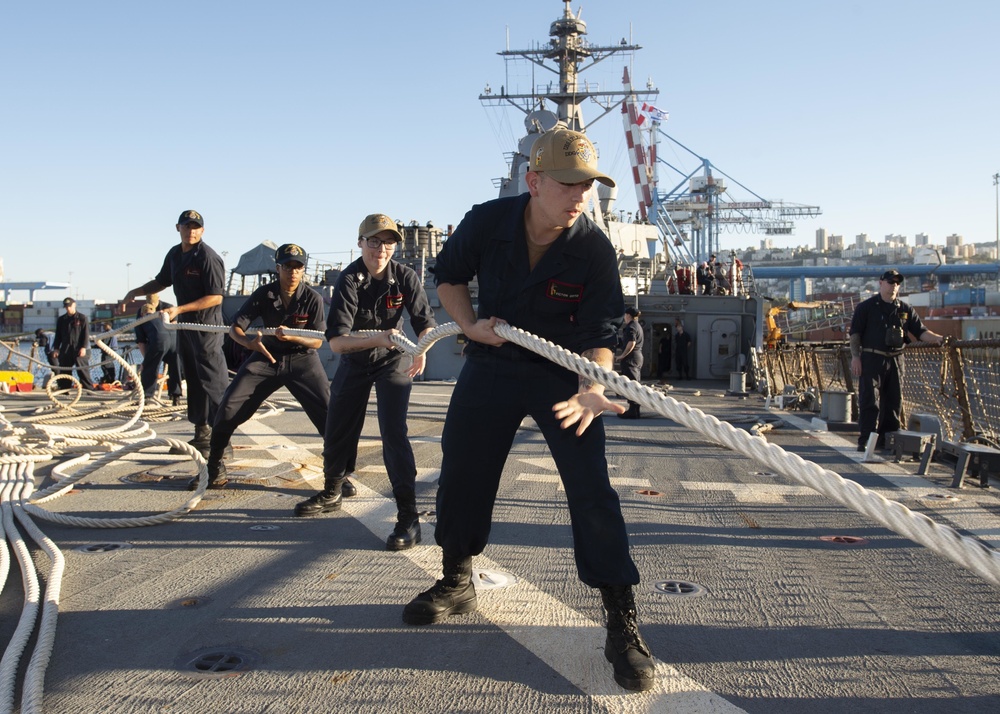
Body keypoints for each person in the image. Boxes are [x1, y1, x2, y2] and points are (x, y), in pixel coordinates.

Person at [401, 126, 655, 692]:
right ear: (534, 181)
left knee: (591, 491)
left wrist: (594, 384)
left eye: (587, 186)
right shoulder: (487, 221)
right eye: (568, 184)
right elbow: (448, 276)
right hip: (493, 362)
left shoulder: (591, 246)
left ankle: (621, 619)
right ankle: (456, 579)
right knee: (463, 470)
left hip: (564, 374)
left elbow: (603, 330)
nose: (579, 196)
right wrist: (469, 327)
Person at [293, 214, 436, 554]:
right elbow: (338, 343)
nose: (381, 249)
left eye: (388, 242)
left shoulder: (405, 277)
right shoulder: (349, 280)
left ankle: (407, 515)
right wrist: (379, 339)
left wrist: (423, 349)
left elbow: (425, 322)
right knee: (338, 424)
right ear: (360, 243)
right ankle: (332, 490)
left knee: (393, 431)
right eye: (374, 241)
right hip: (356, 360)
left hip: (393, 360)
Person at [188, 243, 332, 490]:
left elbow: (317, 340)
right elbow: (236, 327)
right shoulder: (264, 294)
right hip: (267, 356)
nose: (293, 272)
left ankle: (339, 474)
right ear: (278, 268)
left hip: (302, 359)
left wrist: (294, 337)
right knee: (229, 406)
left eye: (298, 267)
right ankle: (214, 467)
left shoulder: (313, 298)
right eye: (288, 266)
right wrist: (249, 343)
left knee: (330, 415)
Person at [121, 210, 229, 457]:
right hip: (185, 329)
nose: (191, 230)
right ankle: (202, 435)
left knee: (213, 384)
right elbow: (161, 281)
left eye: (196, 227)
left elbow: (215, 297)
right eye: (186, 226)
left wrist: (179, 308)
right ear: (177, 228)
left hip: (206, 329)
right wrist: (135, 291)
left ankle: (223, 442)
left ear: (202, 230)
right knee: (192, 378)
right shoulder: (174, 254)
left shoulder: (208, 258)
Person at [849, 268, 945, 452]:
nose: (894, 286)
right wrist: (855, 357)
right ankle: (866, 441)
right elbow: (855, 335)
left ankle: (887, 441)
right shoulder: (866, 307)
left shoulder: (905, 309)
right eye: (890, 282)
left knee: (893, 402)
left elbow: (921, 332)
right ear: (881, 283)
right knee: (869, 401)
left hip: (895, 359)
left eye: (897, 283)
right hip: (872, 358)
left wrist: (940, 339)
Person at [134, 293, 182, 405]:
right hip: (174, 340)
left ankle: (147, 396)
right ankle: (176, 396)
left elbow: (141, 342)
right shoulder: (165, 311)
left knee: (150, 367)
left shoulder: (141, 318)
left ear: (143, 312)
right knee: (175, 368)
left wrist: (145, 361)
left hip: (159, 341)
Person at [52, 297, 94, 389]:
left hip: (78, 347)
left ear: (74, 305)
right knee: (64, 370)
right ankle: (64, 389)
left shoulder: (82, 318)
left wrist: (83, 347)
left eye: (69, 306)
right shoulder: (61, 320)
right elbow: (58, 336)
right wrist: (56, 348)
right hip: (66, 347)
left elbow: (86, 334)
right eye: (66, 307)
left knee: (82, 370)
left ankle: (89, 389)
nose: (68, 308)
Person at [615, 306, 644, 419]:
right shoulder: (638, 326)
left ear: (628, 315)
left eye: (625, 315)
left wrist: (622, 355)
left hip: (631, 358)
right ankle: (635, 410)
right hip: (637, 357)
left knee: (631, 384)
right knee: (635, 383)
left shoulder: (631, 327)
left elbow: (631, 342)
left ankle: (633, 411)